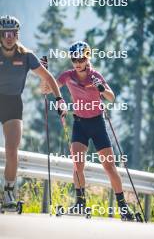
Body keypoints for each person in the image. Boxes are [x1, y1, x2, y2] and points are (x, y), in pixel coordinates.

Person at [41, 41, 134, 220]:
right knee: (77, 164)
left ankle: (123, 208)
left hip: (97, 124)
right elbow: (45, 89)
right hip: (79, 124)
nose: (77, 62)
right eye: (74, 58)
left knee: (109, 167)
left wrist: (101, 89)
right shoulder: (67, 76)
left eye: (81, 58)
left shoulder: (95, 76)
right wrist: (44, 75)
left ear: (87, 57)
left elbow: (111, 97)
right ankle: (80, 203)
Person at [0, 15, 66, 210]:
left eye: (12, 33)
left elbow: (48, 77)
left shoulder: (26, 55)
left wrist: (59, 99)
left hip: (13, 104)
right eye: (5, 34)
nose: (9, 37)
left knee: (12, 150)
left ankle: (9, 193)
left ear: (17, 35)